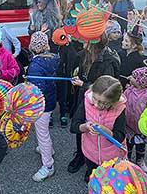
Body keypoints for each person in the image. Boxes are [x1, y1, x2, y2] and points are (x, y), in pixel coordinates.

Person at [68, 32, 121, 174]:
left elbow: (106, 89)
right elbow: (80, 72)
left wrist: (84, 84)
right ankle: (80, 155)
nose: (83, 44)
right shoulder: (85, 55)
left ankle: (96, 162)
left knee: (98, 133)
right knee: (81, 127)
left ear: (94, 46)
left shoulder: (108, 61)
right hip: (84, 97)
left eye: (86, 42)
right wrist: (77, 77)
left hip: (99, 102)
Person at [71, 75, 126, 182]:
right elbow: (74, 126)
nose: (96, 105)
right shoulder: (87, 101)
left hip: (111, 157)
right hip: (90, 151)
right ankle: (90, 173)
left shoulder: (120, 109)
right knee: (92, 174)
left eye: (103, 103)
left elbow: (120, 136)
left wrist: (105, 131)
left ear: (114, 102)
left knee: (109, 182)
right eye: (95, 99)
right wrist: (85, 127)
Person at [27, 31, 60, 182]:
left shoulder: (35, 65)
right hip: (50, 100)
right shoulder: (52, 58)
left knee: (42, 133)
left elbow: (35, 91)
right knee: (44, 130)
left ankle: (48, 166)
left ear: (31, 47)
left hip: (41, 105)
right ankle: (48, 149)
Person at [124, 67, 147, 172]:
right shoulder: (129, 90)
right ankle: (128, 160)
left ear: (141, 82)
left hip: (141, 128)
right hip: (129, 125)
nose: (130, 78)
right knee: (128, 144)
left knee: (141, 145)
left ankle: (140, 160)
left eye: (134, 78)